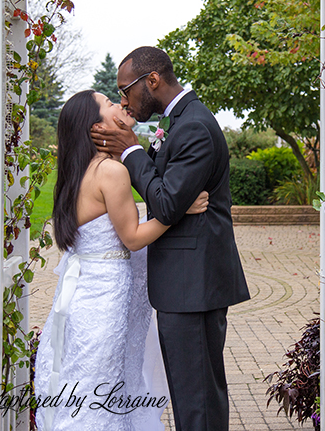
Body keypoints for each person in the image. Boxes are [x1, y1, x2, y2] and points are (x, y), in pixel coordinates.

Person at [91, 46, 250, 431]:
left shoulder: (193, 125)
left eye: (125, 90)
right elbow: (167, 192)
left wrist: (130, 150)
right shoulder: (178, 120)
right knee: (191, 394)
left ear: (152, 81)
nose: (125, 100)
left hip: (193, 285)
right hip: (186, 285)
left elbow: (164, 201)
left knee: (198, 402)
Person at [33, 90, 210, 431]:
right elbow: (131, 237)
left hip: (83, 295)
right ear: (96, 126)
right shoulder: (111, 171)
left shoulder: (79, 170)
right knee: (102, 384)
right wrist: (177, 210)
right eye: (110, 104)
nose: (121, 104)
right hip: (104, 301)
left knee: (87, 382)